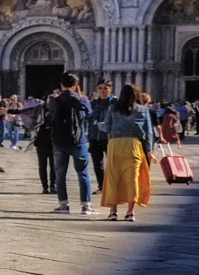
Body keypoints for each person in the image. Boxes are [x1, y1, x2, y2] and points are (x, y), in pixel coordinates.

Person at [101, 83, 154, 222]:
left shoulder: (112, 108)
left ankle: (113, 212)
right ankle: (130, 212)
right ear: (137, 95)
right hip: (133, 145)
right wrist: (149, 150)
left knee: (113, 178)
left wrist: (97, 124)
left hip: (115, 145)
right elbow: (148, 132)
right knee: (132, 179)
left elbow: (106, 127)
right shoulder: (142, 110)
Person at [45, 72, 95, 215]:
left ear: (61, 85)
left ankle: (63, 205)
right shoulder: (82, 100)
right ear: (76, 85)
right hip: (78, 141)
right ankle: (86, 206)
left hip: (59, 142)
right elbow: (89, 114)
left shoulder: (54, 100)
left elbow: (49, 116)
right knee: (83, 173)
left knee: (60, 175)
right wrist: (80, 96)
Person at [87, 81, 114, 190]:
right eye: (100, 88)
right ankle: (102, 186)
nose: (103, 91)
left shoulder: (115, 104)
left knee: (112, 164)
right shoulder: (93, 104)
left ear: (110, 89)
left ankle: (112, 186)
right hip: (95, 138)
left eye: (105, 88)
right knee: (97, 165)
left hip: (110, 138)